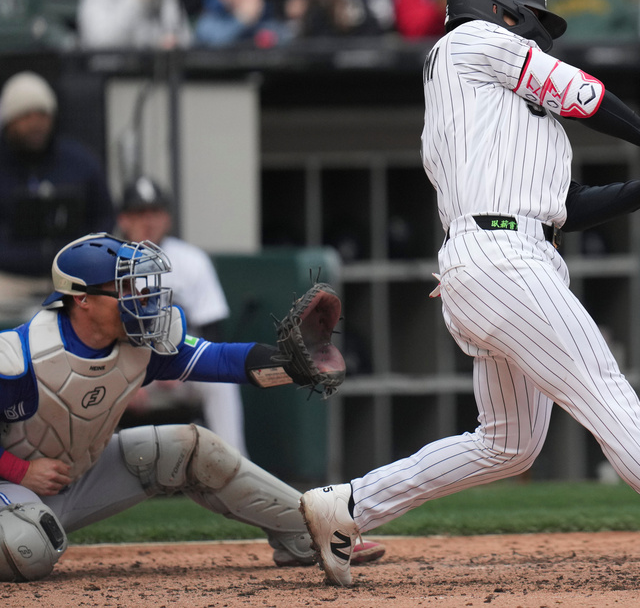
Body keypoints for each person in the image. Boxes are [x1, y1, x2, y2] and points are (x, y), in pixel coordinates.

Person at [299, 0, 640, 588]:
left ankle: (349, 507)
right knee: (607, 396)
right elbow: (581, 92)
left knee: (508, 444)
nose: (539, 37)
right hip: (503, 258)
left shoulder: (495, 107)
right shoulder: (468, 42)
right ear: (499, 11)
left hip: (497, 256)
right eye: (532, 22)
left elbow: (568, 205)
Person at [0, 232, 385, 582]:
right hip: (12, 487)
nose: (139, 296)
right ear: (82, 299)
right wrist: (20, 471)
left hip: (77, 475)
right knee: (27, 548)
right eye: (123, 286)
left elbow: (218, 360)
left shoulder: (142, 345)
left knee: (192, 447)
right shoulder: (22, 357)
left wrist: (291, 365)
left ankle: (309, 534)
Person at [116, 177, 249, 457]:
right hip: (125, 375)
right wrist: (127, 380)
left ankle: (237, 466)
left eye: (155, 212)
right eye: (140, 213)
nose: (148, 221)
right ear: (124, 219)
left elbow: (212, 331)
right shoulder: (108, 263)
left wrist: (180, 365)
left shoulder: (191, 260)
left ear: (167, 218)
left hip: (183, 370)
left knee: (222, 383)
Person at [0, 71, 114, 323]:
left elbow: (104, 216)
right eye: (26, 116)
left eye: (42, 114)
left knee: (110, 304)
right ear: (9, 122)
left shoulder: (79, 162)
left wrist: (83, 256)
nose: (36, 123)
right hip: (10, 278)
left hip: (72, 276)